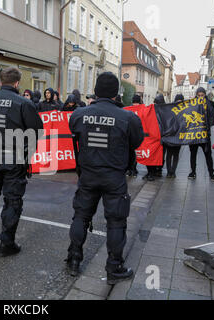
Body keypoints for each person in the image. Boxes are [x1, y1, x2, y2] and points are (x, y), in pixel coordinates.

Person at [67, 72, 144, 283]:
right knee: (116, 222)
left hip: (88, 174)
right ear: (116, 93)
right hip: (114, 176)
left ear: (96, 90)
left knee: (81, 216)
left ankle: (74, 260)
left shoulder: (79, 114)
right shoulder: (128, 117)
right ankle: (114, 268)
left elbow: (74, 131)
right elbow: (136, 143)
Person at [0, 67, 43, 257]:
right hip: (15, 157)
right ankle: (7, 243)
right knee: (12, 200)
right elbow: (37, 130)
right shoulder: (23, 103)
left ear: (1, 81)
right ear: (17, 83)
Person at [188, 87, 214, 182]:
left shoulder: (210, 104)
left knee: (208, 155)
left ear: (205, 95)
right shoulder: (192, 104)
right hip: (194, 135)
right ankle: (193, 172)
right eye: (199, 95)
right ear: (196, 95)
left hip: (205, 134)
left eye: (202, 95)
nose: (200, 97)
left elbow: (212, 117)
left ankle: (211, 173)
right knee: (193, 154)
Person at [164, 94, 184, 178]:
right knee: (169, 154)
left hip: (178, 136)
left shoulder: (184, 111)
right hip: (170, 135)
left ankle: (173, 171)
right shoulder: (171, 109)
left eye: (180, 102)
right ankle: (169, 171)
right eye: (177, 101)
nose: (179, 103)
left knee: (176, 154)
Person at [126, 95, 143, 178]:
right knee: (136, 152)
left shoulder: (127, 109)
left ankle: (130, 169)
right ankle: (134, 170)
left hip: (129, 134)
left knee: (130, 152)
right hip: (138, 133)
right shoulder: (143, 109)